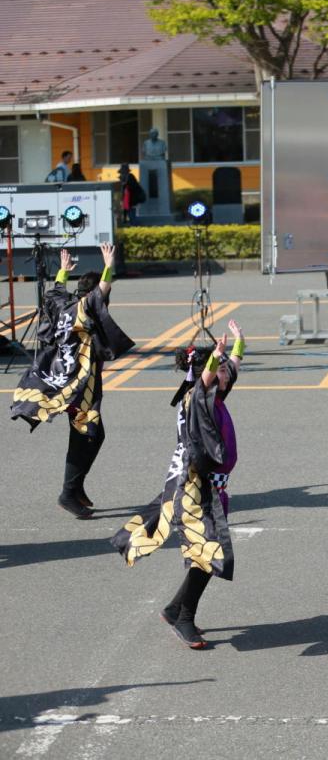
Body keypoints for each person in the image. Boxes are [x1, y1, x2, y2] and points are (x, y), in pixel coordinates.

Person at [111, 320, 245, 650]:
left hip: (212, 491)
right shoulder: (195, 398)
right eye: (221, 370)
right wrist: (215, 358)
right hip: (194, 490)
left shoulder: (212, 396)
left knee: (206, 554)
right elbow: (207, 378)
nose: (227, 374)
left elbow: (229, 369)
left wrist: (239, 344)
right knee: (207, 554)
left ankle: (174, 610)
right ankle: (184, 619)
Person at [11, 243, 134, 518]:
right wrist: (109, 266)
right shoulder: (85, 309)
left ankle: (75, 487)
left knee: (93, 435)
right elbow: (102, 290)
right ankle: (68, 493)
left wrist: (63, 272)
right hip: (80, 387)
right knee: (86, 435)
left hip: (61, 379)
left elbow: (52, 292)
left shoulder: (62, 305)